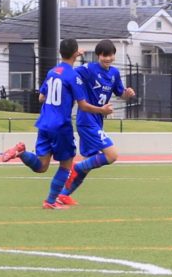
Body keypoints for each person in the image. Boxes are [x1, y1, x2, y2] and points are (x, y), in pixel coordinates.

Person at [1, 38, 114, 209]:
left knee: (41, 166)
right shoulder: (74, 76)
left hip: (44, 123)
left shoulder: (52, 72)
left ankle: (21, 152)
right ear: (75, 54)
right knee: (66, 166)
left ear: (60, 53)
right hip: (61, 125)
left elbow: (41, 97)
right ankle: (50, 201)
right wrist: (102, 110)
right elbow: (83, 105)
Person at [56, 39, 135, 206]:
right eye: (104, 55)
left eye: (110, 55)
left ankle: (63, 195)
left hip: (97, 120)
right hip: (86, 119)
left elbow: (120, 93)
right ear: (98, 56)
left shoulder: (114, 73)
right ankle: (76, 168)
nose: (107, 58)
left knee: (89, 163)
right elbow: (68, 73)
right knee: (112, 155)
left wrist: (127, 94)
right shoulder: (89, 69)